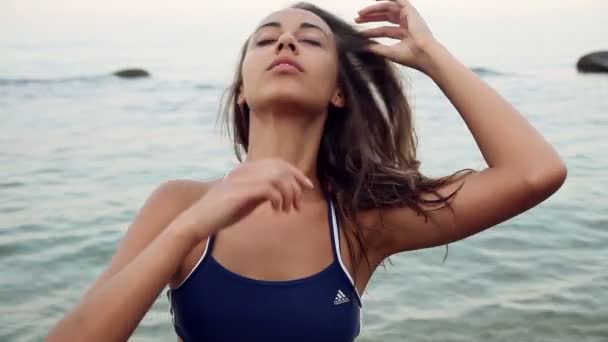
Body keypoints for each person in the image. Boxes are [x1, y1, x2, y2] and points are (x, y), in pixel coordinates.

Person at [46, 1, 567, 341]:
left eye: (312, 40)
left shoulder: (362, 223)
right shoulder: (180, 205)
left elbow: (534, 172)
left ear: (339, 92)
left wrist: (431, 55)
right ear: (243, 90)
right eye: (266, 38)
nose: (286, 43)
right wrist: (191, 226)